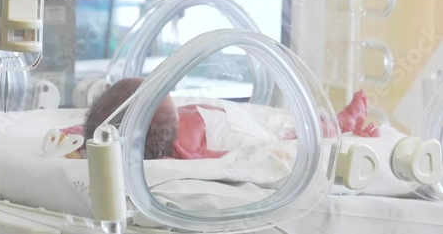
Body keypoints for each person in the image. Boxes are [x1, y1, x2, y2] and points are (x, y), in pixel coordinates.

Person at [62, 78, 379, 160]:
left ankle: (330, 124)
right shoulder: (181, 145)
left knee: (283, 127)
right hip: (235, 132)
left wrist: (83, 132)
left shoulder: (136, 127)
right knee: (281, 139)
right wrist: (243, 155)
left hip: (225, 115)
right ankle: (338, 126)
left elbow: (102, 130)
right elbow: (210, 158)